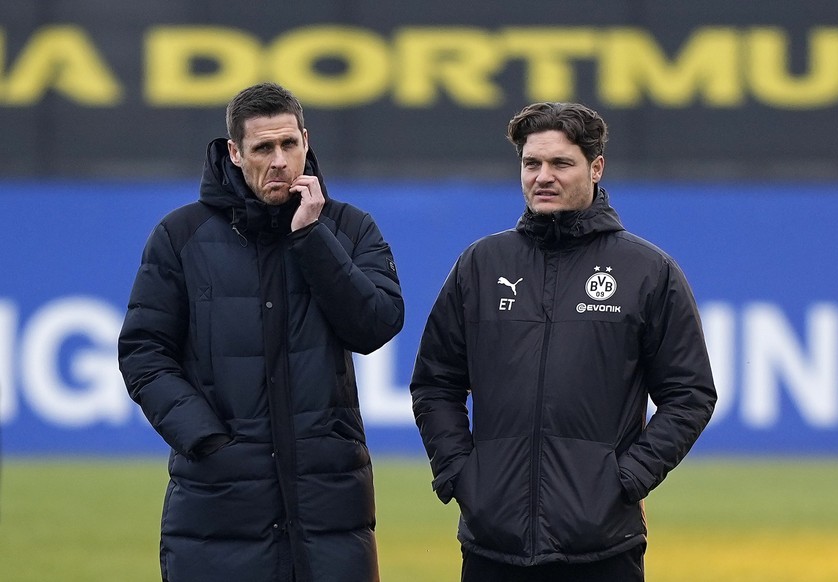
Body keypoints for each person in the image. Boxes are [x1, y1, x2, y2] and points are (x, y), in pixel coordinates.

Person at [410, 102, 717, 581]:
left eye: (561, 163)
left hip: (602, 548)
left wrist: (626, 479)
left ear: (596, 168)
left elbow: (690, 395)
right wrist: (462, 475)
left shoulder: (647, 271)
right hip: (493, 545)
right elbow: (435, 383)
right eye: (531, 163)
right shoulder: (481, 264)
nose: (542, 176)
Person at [118, 82, 404, 582]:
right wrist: (206, 441)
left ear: (306, 141)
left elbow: (375, 327)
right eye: (262, 148)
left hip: (329, 502)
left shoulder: (350, 228)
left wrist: (313, 237)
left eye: (289, 145)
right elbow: (144, 353)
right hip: (219, 502)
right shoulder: (180, 235)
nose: (279, 161)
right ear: (234, 153)